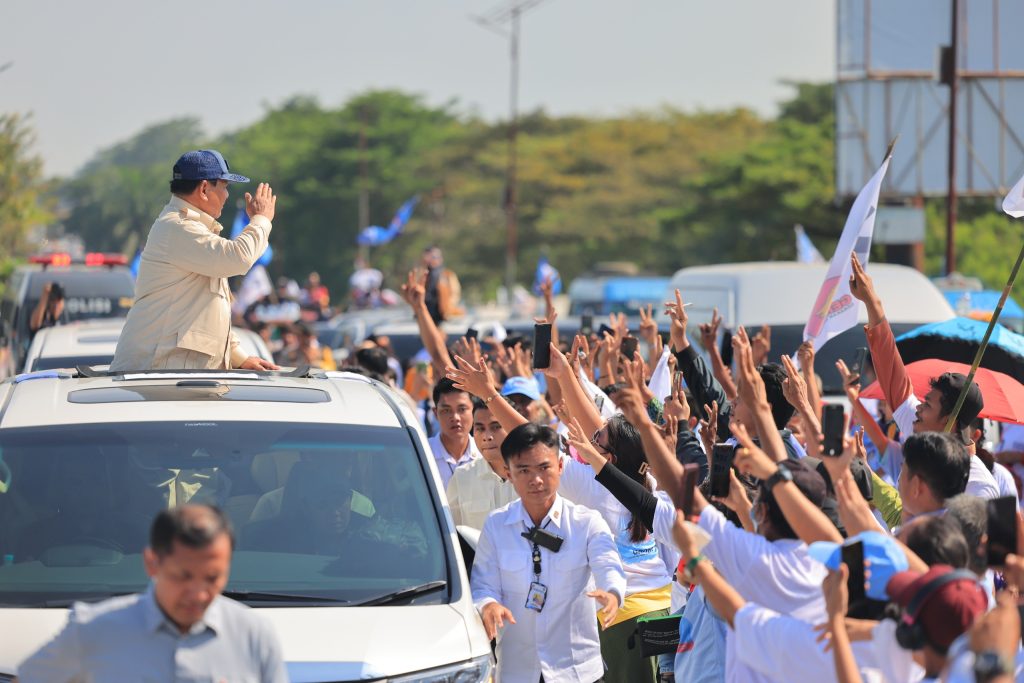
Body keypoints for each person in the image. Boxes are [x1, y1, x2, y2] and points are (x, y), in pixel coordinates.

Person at [18, 504, 287, 682]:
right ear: (152, 563)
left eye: (212, 578)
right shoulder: (93, 630)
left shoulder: (254, 634)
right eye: (183, 576)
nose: (199, 594)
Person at [471, 423, 626, 683]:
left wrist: (611, 593)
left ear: (561, 467)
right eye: (524, 470)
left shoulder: (586, 522)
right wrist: (489, 605)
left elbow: (608, 563)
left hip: (577, 670)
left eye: (544, 467)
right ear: (508, 473)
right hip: (517, 670)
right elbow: (483, 583)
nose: (536, 480)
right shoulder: (496, 525)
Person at [110, 150, 279, 372]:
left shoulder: (185, 229)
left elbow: (207, 313)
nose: (227, 196)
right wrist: (261, 220)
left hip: (168, 377)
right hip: (156, 378)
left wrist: (239, 358)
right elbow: (240, 258)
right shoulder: (178, 227)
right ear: (204, 188)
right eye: (224, 186)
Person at [848, 254, 999, 500]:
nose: (917, 408)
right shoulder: (925, 432)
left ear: (948, 421)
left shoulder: (978, 485)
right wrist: (871, 302)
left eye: (927, 404)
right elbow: (893, 376)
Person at [445, 398, 518, 530]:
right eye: (480, 428)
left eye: (496, 427)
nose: (487, 436)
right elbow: (452, 534)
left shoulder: (533, 475)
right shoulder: (462, 477)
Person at [429, 378, 481, 489]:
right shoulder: (423, 454)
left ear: (474, 410)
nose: (455, 418)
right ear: (435, 413)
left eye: (462, 409)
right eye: (446, 410)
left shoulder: (485, 454)